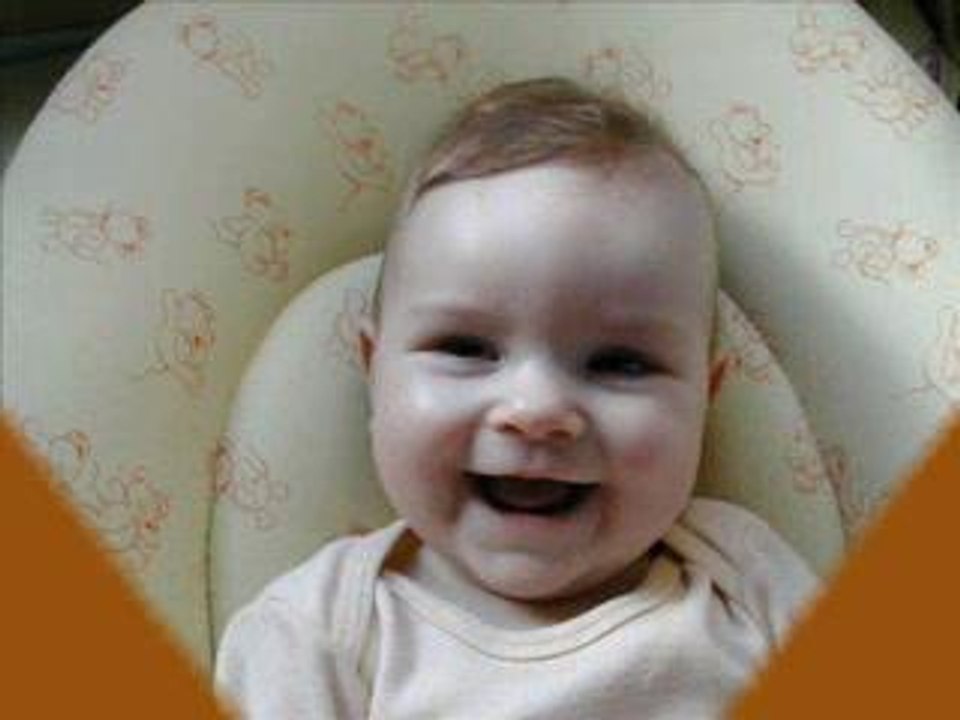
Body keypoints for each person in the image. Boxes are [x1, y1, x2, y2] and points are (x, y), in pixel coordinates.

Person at [215, 77, 818, 719]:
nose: (537, 411)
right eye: (466, 348)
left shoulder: (744, 577)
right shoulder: (321, 634)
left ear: (705, 398)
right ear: (375, 373)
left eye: (620, 363)